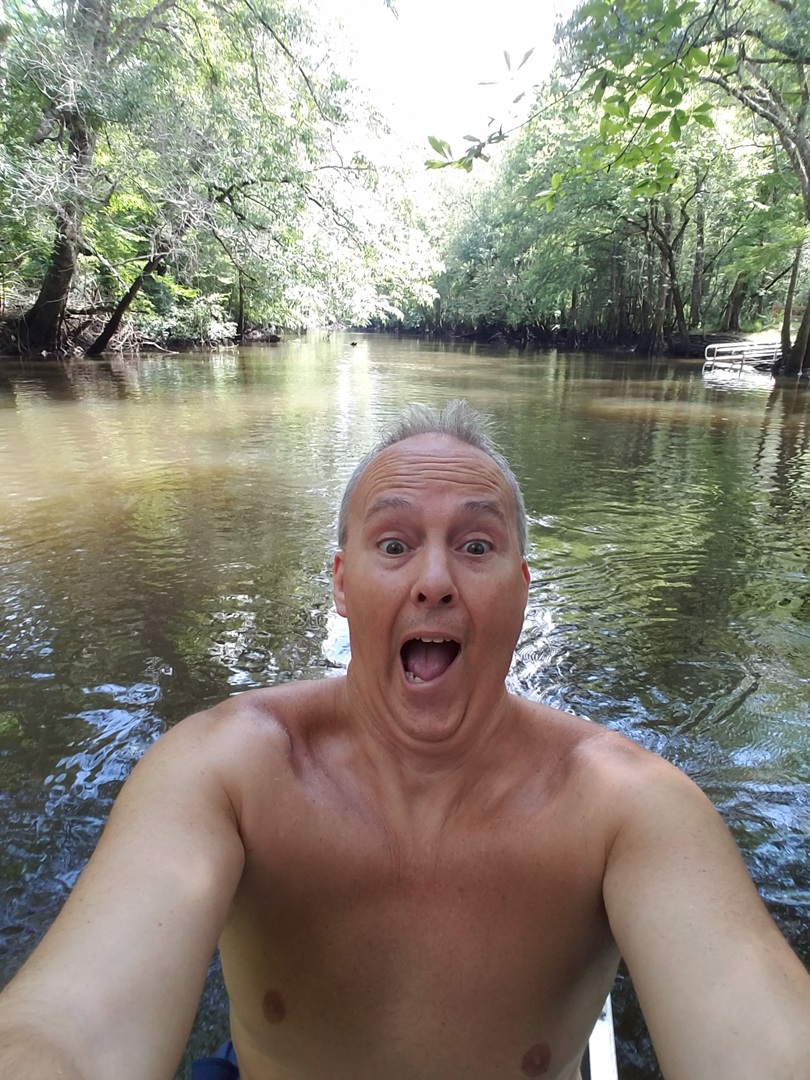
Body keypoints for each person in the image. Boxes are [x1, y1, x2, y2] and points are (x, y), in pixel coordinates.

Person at [0, 400, 808, 1080]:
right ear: (343, 584)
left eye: (476, 545)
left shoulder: (628, 809)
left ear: (521, 592)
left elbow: (764, 1038)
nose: (433, 580)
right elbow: (71, 1028)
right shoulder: (228, 769)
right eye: (393, 545)